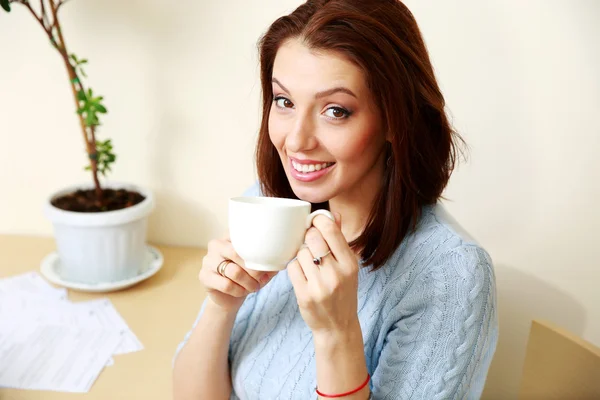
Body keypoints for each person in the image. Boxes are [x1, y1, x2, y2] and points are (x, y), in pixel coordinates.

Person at [173, 0, 498, 398]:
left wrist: (336, 334)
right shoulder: (266, 203)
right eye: (284, 101)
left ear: (396, 120)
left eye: (335, 110)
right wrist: (221, 307)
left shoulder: (450, 277)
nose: (296, 141)